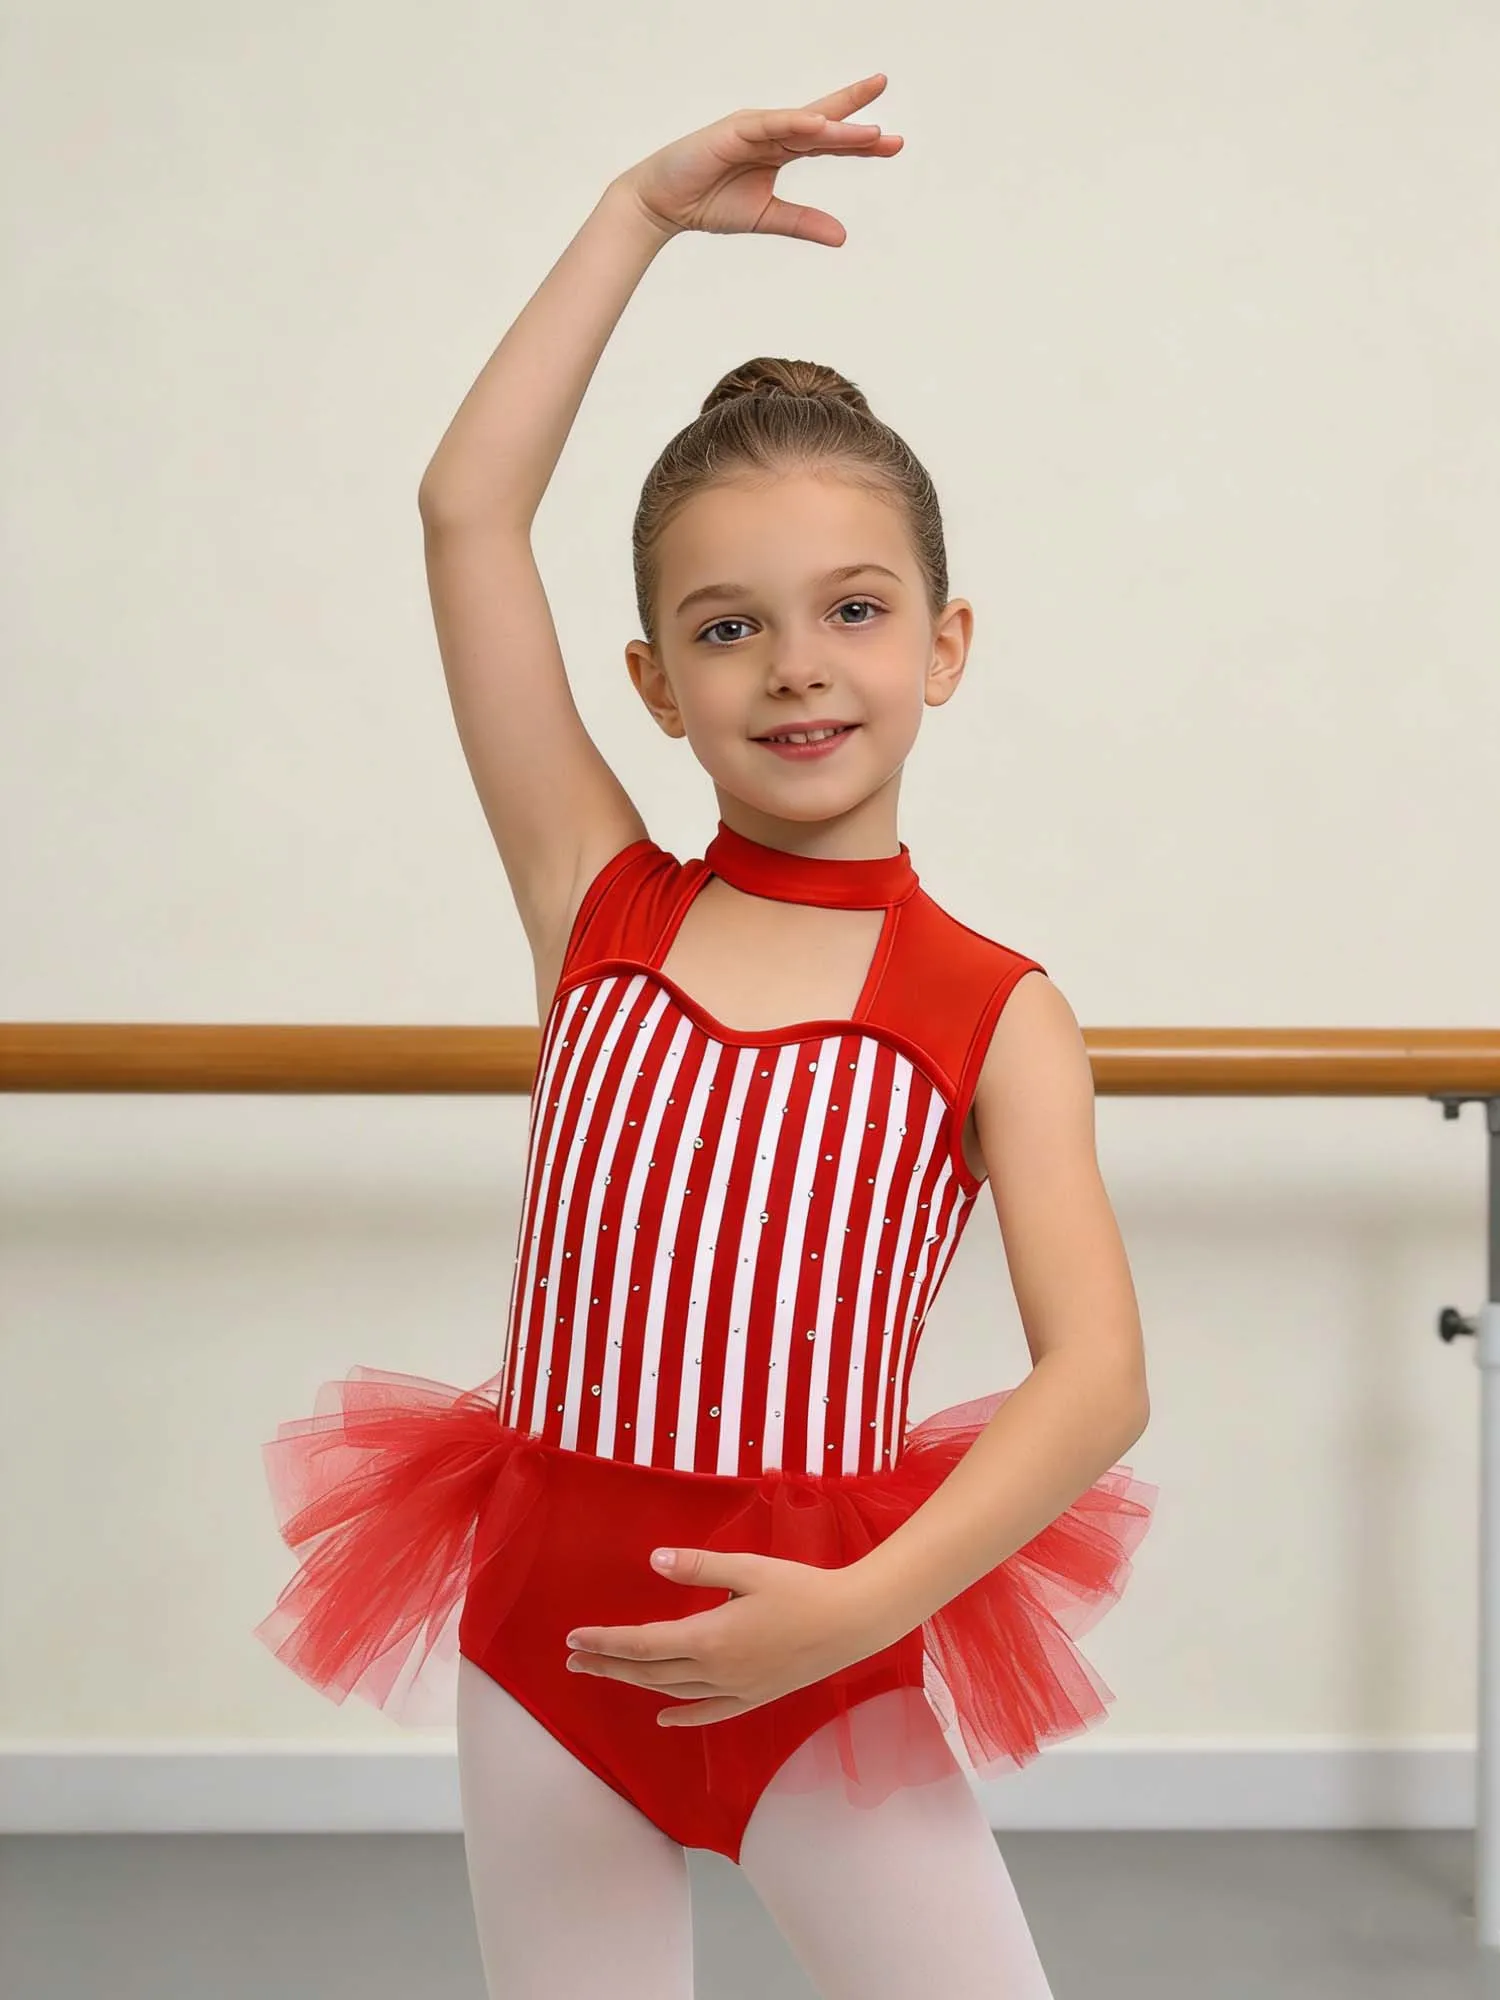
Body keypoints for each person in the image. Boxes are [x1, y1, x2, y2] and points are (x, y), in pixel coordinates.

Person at [255, 73, 1156, 2000]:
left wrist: (856, 1611)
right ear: (656, 684)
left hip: (825, 1651)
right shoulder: (601, 900)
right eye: (730, 630)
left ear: (945, 644)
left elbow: (1097, 1383)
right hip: (548, 1655)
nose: (800, 663)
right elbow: (464, 512)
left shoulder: (993, 1008)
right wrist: (634, 213)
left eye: (852, 608)